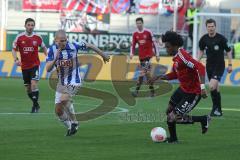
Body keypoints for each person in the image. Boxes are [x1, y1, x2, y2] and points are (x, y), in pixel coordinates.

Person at [46, 30, 110, 136]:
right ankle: (71, 127)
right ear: (55, 40)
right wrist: (56, 57)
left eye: (65, 40)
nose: (64, 42)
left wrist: (103, 55)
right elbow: (48, 69)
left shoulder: (73, 46)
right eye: (61, 41)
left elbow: (90, 45)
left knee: (64, 99)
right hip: (61, 82)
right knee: (58, 111)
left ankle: (75, 122)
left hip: (74, 80)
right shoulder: (52, 50)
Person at [150, 31, 210, 143]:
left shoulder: (183, 56)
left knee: (173, 117)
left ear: (174, 45)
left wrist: (202, 88)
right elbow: (175, 74)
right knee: (169, 112)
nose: (166, 49)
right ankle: (173, 139)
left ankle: (203, 119)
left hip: (193, 92)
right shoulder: (176, 58)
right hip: (183, 89)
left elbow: (200, 67)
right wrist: (159, 77)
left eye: (167, 47)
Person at [198, 19, 232, 117]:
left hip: (219, 65)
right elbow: (201, 51)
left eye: (212, 26)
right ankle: (219, 110)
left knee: (212, 86)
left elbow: (229, 50)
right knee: (216, 89)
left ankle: (215, 108)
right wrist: (197, 61)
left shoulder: (221, 39)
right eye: (209, 26)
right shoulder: (203, 39)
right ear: (206, 27)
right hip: (209, 66)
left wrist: (230, 64)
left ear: (215, 27)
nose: (211, 28)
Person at [12, 18, 47, 113]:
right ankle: (36, 104)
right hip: (24, 66)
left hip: (35, 65)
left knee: (34, 84)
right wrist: (16, 59)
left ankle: (35, 107)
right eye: (29, 25)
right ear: (25, 26)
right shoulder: (19, 37)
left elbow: (44, 47)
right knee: (28, 89)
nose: (30, 27)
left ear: (34, 26)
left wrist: (48, 57)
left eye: (32, 25)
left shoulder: (38, 37)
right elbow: (13, 49)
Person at [130, 17, 160, 97]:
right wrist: (131, 53)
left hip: (149, 56)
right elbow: (133, 44)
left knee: (142, 73)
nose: (138, 25)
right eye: (137, 23)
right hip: (141, 57)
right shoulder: (135, 34)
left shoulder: (148, 32)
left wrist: (157, 54)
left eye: (140, 23)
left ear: (143, 23)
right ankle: (153, 92)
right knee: (146, 74)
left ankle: (136, 91)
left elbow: (154, 44)